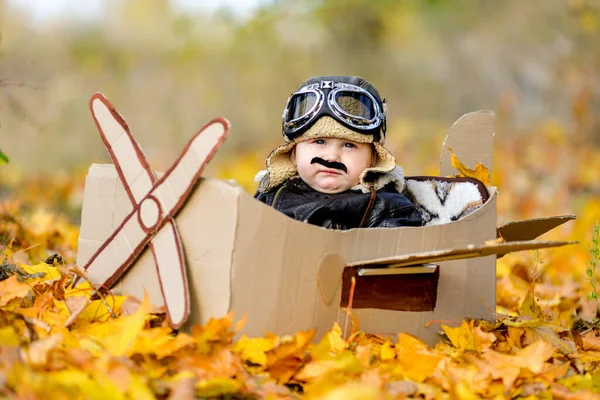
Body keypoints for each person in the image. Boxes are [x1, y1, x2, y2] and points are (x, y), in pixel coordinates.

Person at [254, 75, 423, 230]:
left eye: (349, 145)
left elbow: (398, 250)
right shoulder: (272, 195)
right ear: (293, 153)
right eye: (319, 142)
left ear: (373, 158)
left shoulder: (385, 205)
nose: (331, 156)